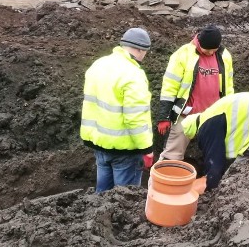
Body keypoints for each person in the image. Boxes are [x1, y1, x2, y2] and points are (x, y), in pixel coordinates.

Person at [80, 27, 154, 193]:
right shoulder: (133, 74)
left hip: (99, 143)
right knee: (124, 198)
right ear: (140, 49)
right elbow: (135, 117)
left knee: (102, 194)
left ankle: (97, 218)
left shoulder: (98, 64)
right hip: (124, 149)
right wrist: (146, 149)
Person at [180, 92, 249, 190]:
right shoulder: (212, 114)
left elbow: (214, 164)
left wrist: (212, 185)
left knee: (237, 176)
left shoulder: (206, 126)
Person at [156, 25, 235, 161]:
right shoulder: (183, 54)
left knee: (215, 155)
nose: (210, 53)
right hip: (186, 114)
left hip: (213, 114)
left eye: (213, 50)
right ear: (199, 43)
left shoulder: (224, 55)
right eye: (207, 50)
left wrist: (231, 110)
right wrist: (164, 116)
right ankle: (162, 179)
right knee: (172, 154)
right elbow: (169, 86)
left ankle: (213, 180)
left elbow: (228, 86)